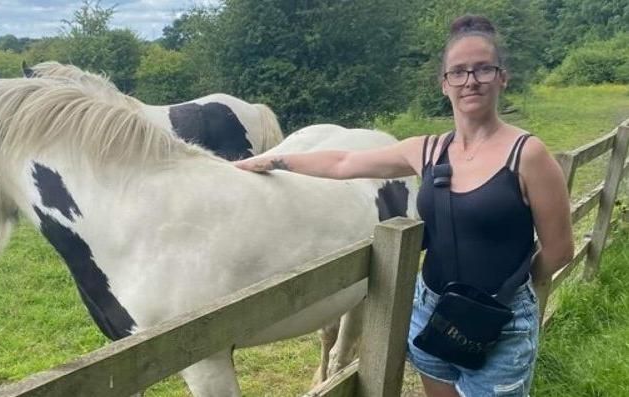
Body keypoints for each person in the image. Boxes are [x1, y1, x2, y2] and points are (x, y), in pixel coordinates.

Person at [234, 14, 574, 397]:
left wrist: (507, 290)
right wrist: (273, 161)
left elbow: (560, 249)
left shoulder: (528, 155)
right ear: (444, 84)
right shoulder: (426, 150)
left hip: (501, 322)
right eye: (459, 72)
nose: (471, 80)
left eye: (483, 69)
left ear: (502, 77)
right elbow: (343, 163)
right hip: (432, 311)